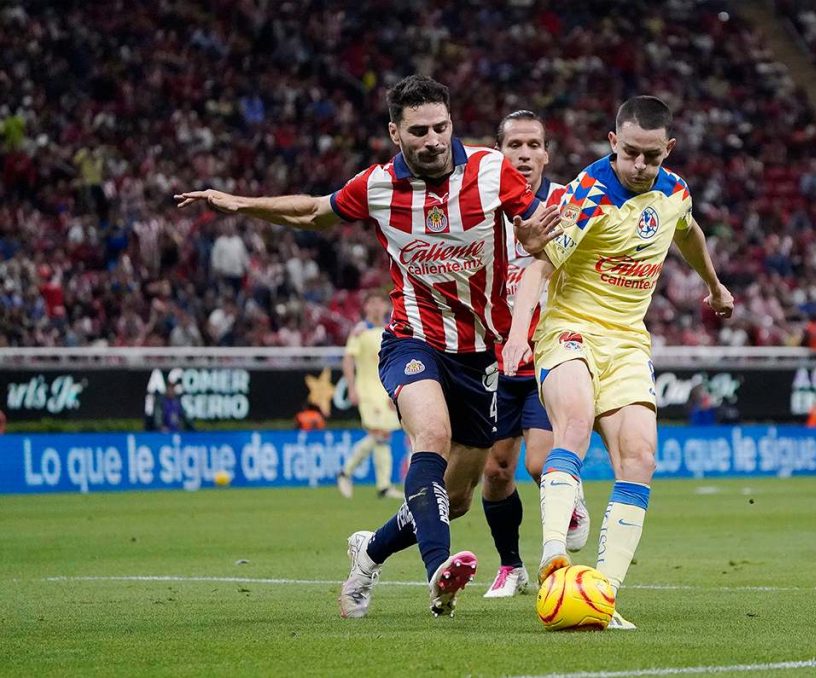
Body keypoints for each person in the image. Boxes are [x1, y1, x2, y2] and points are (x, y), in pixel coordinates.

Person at [176, 75, 561, 619]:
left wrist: (530, 237)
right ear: (395, 132)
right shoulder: (377, 186)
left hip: (483, 354)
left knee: (454, 499)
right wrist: (237, 204)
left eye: (441, 127)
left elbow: (529, 230)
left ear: (452, 123)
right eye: (419, 130)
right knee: (430, 436)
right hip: (414, 337)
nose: (432, 139)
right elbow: (313, 211)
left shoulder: (491, 169)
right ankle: (439, 575)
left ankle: (368, 552)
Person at [504, 96, 734, 629]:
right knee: (576, 422)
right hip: (571, 331)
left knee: (641, 457)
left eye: (651, 157)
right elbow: (539, 267)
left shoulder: (674, 192)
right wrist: (519, 336)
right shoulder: (587, 196)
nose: (639, 166)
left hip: (628, 341)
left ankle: (603, 593)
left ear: (667, 150)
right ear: (613, 143)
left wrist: (714, 285)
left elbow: (689, 231)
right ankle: (553, 559)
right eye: (630, 153)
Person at [481, 111, 591, 599]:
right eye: (514, 145)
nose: (524, 154)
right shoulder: (480, 208)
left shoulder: (567, 204)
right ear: (497, 152)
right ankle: (511, 566)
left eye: (533, 145)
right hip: (492, 358)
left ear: (547, 153)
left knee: (537, 463)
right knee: (496, 469)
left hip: (549, 351)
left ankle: (570, 491)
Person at [336, 291, 404, 500]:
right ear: (365, 308)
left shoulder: (390, 329)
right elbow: (348, 360)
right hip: (367, 389)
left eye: (379, 302)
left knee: (383, 436)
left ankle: (383, 487)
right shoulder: (360, 331)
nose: (376, 307)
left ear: (386, 306)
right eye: (371, 303)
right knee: (379, 433)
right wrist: (352, 388)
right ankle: (345, 473)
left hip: (385, 390)